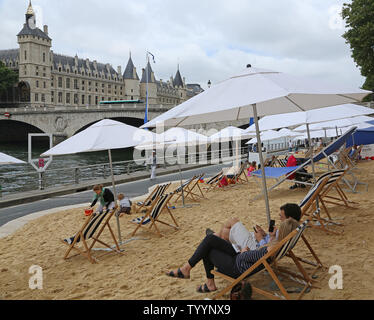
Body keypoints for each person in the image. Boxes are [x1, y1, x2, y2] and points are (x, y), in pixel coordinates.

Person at [165, 218, 300, 293]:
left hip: (236, 267)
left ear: (282, 232)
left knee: (208, 246)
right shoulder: (277, 245)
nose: (276, 229)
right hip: (239, 259)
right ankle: (200, 276)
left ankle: (192, 272)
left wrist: (244, 252)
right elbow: (257, 257)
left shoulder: (271, 249)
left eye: (279, 229)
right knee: (210, 240)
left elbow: (255, 257)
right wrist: (269, 238)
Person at [208, 203, 302, 253]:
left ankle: (213, 236)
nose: (279, 218)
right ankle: (215, 238)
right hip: (257, 242)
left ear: (289, 218)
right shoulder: (290, 230)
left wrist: (260, 238)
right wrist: (266, 235)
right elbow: (272, 244)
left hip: (255, 248)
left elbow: (267, 250)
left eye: (281, 216)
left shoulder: (285, 231)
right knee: (226, 233)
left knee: (233, 221)